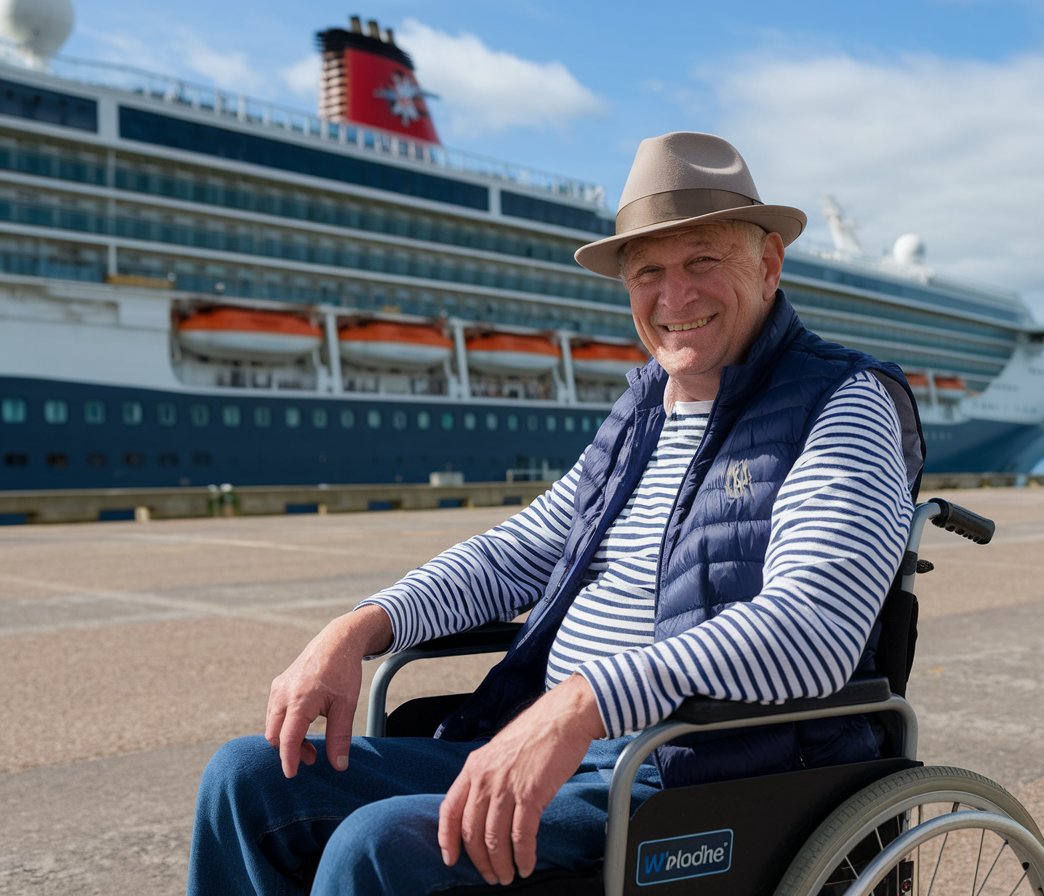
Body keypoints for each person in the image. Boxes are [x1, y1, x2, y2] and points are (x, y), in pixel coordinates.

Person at [188, 132, 924, 895]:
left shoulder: (841, 404)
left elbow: (814, 632)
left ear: (768, 264)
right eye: (649, 272)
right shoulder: (643, 410)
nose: (675, 298)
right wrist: (359, 627)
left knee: (380, 847)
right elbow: (521, 551)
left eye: (703, 261)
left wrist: (585, 701)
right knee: (248, 777)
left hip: (694, 774)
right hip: (559, 743)